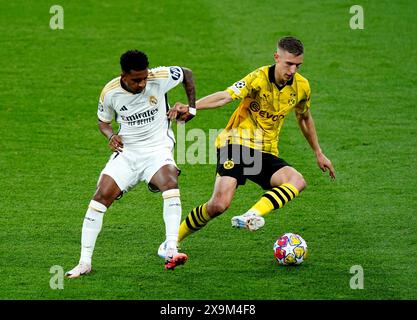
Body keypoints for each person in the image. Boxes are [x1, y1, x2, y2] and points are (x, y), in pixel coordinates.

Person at [160, 36, 335, 254]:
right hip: (236, 143)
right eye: (288, 64)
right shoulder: (258, 79)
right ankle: (172, 241)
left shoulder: (302, 87)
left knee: (296, 181)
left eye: (297, 65)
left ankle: (251, 215)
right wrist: (191, 106)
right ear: (276, 57)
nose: (292, 70)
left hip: (265, 150)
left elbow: (304, 117)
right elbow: (225, 96)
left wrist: (319, 152)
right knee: (219, 205)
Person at [66, 50, 196, 277]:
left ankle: (171, 249)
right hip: (127, 153)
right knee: (100, 196)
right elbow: (103, 122)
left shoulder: (159, 77)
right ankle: (84, 262)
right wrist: (110, 136)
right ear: (123, 76)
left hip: (157, 149)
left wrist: (191, 108)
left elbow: (187, 73)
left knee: (170, 182)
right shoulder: (110, 92)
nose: (143, 83)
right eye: (136, 80)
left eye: (144, 77)